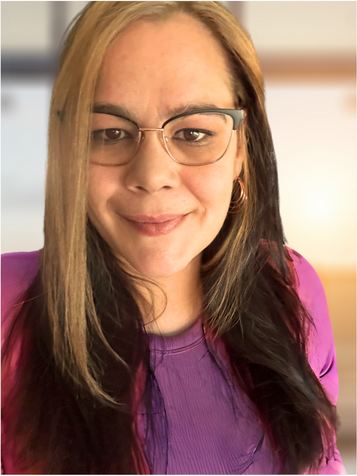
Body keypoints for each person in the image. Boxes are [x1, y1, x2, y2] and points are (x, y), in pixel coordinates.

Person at [1, 1, 347, 474]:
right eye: (108, 133)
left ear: (242, 150)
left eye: (193, 133)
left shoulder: (292, 285)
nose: (152, 175)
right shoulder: (7, 306)